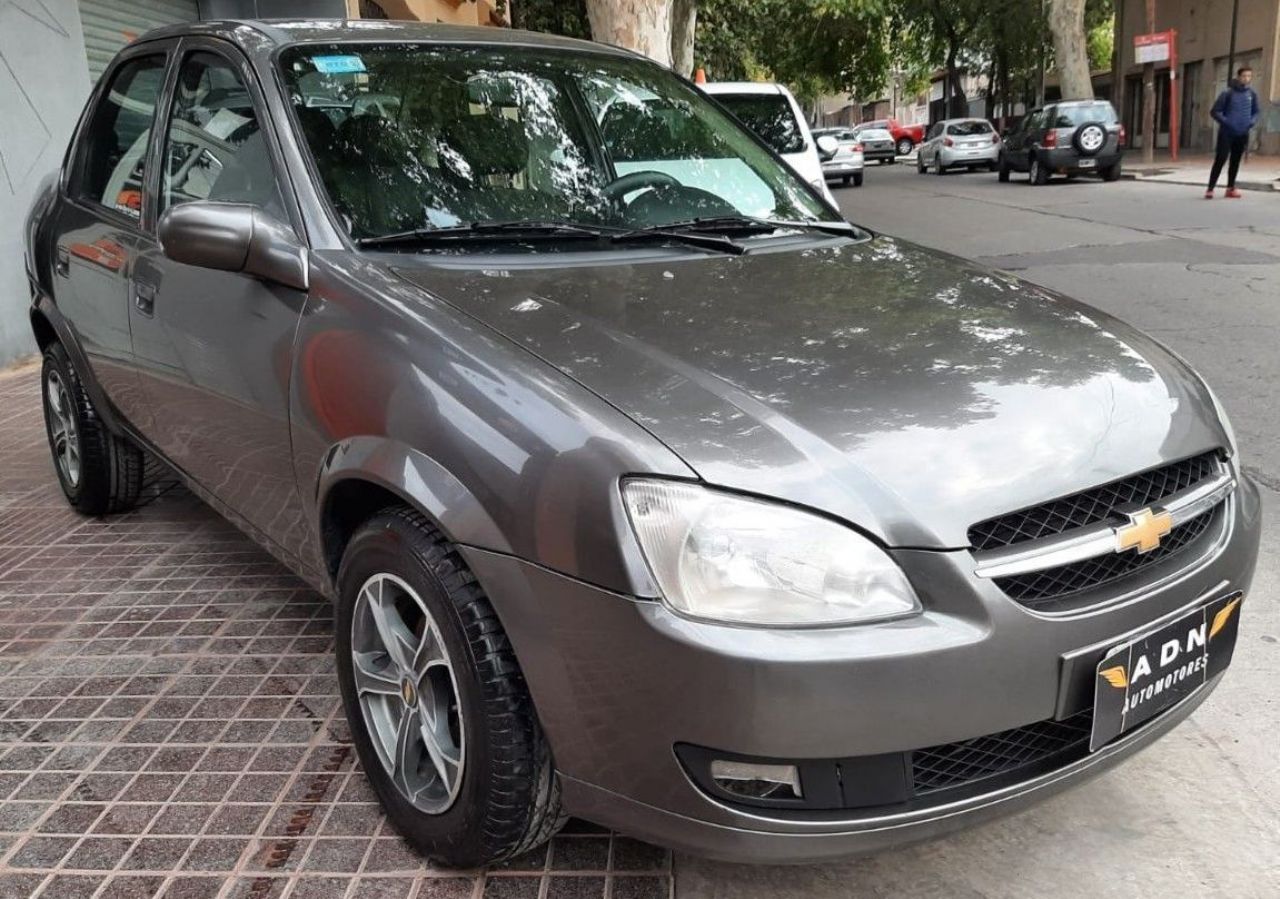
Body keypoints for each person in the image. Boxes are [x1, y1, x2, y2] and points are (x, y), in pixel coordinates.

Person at [1205, 66, 1261, 199]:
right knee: (1221, 159)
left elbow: (1257, 111)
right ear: (1238, 76)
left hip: (1242, 133)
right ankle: (1210, 188)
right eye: (1244, 76)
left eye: (1249, 76)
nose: (1246, 79)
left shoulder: (1252, 94)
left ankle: (1230, 188)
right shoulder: (1227, 93)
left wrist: (1251, 122)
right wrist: (1227, 122)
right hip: (1227, 132)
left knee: (1235, 161)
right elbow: (1214, 112)